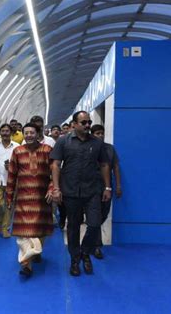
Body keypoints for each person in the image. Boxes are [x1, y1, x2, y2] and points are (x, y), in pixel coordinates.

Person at [51, 111, 111, 276]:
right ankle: (75, 259)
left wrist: (107, 188)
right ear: (74, 124)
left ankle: (85, 252)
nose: (87, 125)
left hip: (92, 191)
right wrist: (56, 188)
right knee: (73, 227)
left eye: (89, 122)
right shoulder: (63, 141)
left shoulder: (97, 143)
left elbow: (105, 165)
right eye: (83, 123)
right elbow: (55, 165)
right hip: (70, 191)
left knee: (94, 224)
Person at [6, 123, 54, 277]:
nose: (28, 136)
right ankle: (27, 264)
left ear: (38, 133)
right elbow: (12, 175)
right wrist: (9, 196)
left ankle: (36, 251)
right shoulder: (17, 151)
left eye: (31, 133)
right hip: (23, 198)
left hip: (42, 198)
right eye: (26, 133)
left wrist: (52, 188)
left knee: (40, 229)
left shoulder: (47, 150)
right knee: (24, 233)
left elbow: (55, 173)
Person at [90, 124, 123, 259]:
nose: (100, 135)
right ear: (92, 134)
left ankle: (91, 233)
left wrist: (118, 186)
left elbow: (115, 167)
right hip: (91, 187)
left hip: (106, 186)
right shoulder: (89, 148)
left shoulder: (110, 149)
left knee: (103, 214)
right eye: (97, 133)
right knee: (96, 215)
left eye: (102, 133)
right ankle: (97, 245)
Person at [0, 123, 20, 238]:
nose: (5, 133)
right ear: (0, 132)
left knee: (9, 205)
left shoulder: (16, 146)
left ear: (11, 133)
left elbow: (21, 165)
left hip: (12, 181)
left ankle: (5, 228)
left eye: (7, 131)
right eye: (3, 131)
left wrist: (11, 167)